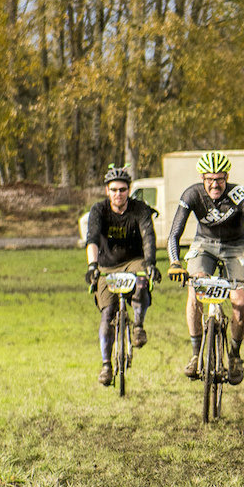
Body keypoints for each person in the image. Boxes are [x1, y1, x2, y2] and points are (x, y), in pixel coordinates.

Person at [165, 152, 244, 383]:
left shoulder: (240, 195)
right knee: (195, 290)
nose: (215, 184)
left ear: (227, 177)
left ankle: (234, 354)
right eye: (210, 179)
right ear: (202, 178)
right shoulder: (192, 194)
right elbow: (174, 235)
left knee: (240, 302)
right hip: (204, 246)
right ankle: (195, 354)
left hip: (236, 246)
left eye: (220, 179)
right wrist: (175, 263)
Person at [83, 165, 160, 386]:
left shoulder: (140, 210)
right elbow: (92, 240)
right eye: (114, 190)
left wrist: (151, 264)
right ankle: (106, 365)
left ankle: (138, 326)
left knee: (142, 282)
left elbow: (149, 238)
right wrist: (92, 266)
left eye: (123, 190)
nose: (119, 194)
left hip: (133, 262)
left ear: (129, 190)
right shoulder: (98, 211)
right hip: (107, 265)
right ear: (107, 191)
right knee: (107, 314)